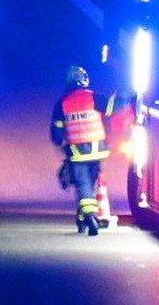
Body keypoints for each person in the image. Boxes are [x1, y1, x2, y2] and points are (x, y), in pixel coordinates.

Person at [50, 65, 124, 236]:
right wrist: (124, 93)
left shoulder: (62, 103)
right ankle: (83, 217)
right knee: (90, 183)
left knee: (83, 185)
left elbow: (56, 135)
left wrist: (61, 142)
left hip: (77, 153)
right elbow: (114, 108)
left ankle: (90, 217)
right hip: (98, 151)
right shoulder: (93, 97)